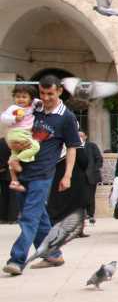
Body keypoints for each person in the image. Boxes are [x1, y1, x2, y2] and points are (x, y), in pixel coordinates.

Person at [4, 75, 80, 275]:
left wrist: (68, 176)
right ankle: (53, 254)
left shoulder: (67, 117)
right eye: (42, 93)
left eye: (50, 94)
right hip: (23, 169)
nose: (45, 98)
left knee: (29, 217)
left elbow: (72, 147)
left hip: (43, 173)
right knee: (39, 216)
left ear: (59, 92)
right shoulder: (34, 108)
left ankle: (17, 259)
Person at [0, 83, 41, 193]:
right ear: (14, 98)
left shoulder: (31, 107)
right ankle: (16, 161)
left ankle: (14, 181)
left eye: (24, 97)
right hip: (18, 133)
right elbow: (3, 117)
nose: (21, 99)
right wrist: (14, 118)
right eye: (18, 97)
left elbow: (38, 102)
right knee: (35, 146)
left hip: (22, 134)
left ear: (30, 99)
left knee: (13, 154)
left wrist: (34, 101)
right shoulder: (14, 108)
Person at [78, 131, 103, 226]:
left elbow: (99, 159)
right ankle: (81, 215)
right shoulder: (74, 146)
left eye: (81, 135)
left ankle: (90, 214)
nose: (79, 137)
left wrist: (94, 169)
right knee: (80, 196)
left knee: (90, 196)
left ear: (85, 137)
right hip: (79, 177)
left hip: (91, 176)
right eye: (78, 135)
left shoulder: (92, 146)